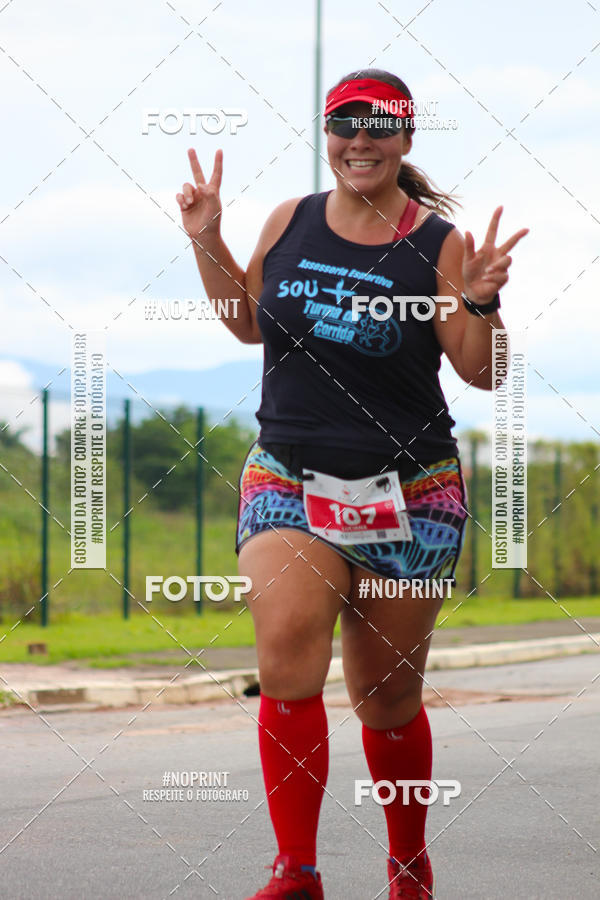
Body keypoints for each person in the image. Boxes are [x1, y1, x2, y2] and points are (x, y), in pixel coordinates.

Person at [176, 68, 528, 900]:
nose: (359, 139)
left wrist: (481, 305)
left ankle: (408, 862)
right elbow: (246, 321)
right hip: (289, 478)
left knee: (386, 693)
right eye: (344, 123)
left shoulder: (438, 243)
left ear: (405, 140)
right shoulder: (292, 220)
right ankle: (296, 869)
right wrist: (206, 238)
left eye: (378, 126)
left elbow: (484, 376)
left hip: (412, 492)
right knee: (289, 644)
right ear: (327, 134)